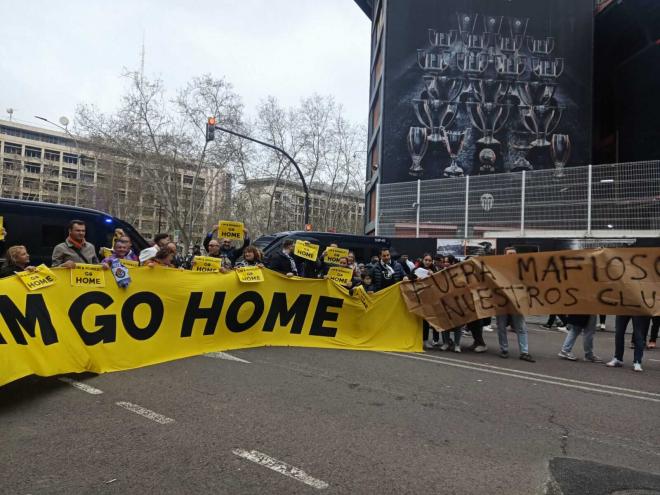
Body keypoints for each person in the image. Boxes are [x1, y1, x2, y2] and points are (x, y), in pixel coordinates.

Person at [496, 247, 535, 362]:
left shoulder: (522, 267)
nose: (512, 255)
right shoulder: (498, 268)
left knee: (521, 327)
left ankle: (524, 352)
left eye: (514, 253)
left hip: (517, 302)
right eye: (510, 253)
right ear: (505, 255)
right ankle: (504, 349)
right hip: (502, 302)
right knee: (501, 326)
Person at [414, 254, 441, 349]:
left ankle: (429, 340)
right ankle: (418, 339)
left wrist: (433, 276)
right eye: (426, 260)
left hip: (430, 299)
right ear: (423, 260)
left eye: (429, 260)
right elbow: (408, 278)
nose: (427, 262)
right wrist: (415, 279)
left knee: (429, 320)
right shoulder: (416, 269)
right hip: (418, 298)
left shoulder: (435, 270)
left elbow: (439, 283)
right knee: (419, 320)